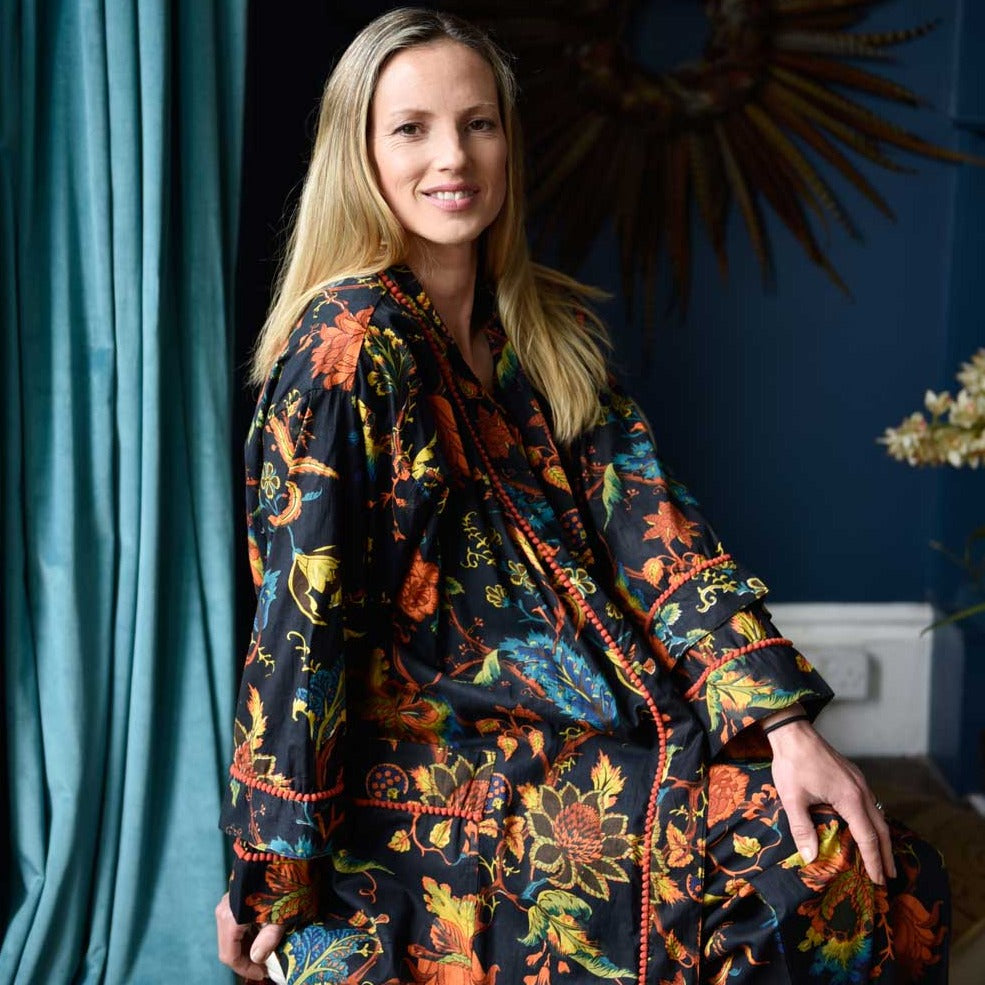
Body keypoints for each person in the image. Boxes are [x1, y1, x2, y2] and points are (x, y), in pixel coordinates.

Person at [215, 8, 949, 984]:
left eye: (478, 123)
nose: (453, 156)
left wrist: (784, 725)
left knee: (892, 868)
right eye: (412, 128)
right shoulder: (348, 349)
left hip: (598, 735)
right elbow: (298, 630)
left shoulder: (540, 333)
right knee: (812, 876)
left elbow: (660, 539)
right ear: (359, 153)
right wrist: (270, 874)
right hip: (437, 778)